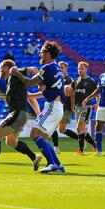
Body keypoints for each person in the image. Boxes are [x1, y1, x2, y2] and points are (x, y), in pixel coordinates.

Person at [10, 41, 66, 173]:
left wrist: (16, 72)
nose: (40, 53)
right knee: (41, 137)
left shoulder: (46, 68)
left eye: (42, 51)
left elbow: (29, 82)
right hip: (57, 106)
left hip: (52, 107)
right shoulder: (58, 69)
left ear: (47, 53)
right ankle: (58, 165)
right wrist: (33, 95)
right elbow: (49, 90)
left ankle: (52, 163)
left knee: (33, 134)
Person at [0, 60, 42, 172]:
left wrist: (40, 83)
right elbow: (27, 95)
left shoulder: (15, 72)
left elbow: (33, 69)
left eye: (1, 67)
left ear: (7, 67)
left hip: (17, 113)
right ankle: (34, 158)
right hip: (21, 114)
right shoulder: (12, 80)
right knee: (11, 142)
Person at [71, 62, 98, 154]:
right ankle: (95, 145)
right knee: (82, 130)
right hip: (77, 107)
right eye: (79, 68)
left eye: (82, 68)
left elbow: (97, 93)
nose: (80, 70)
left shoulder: (91, 82)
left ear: (86, 69)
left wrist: (97, 104)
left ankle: (81, 150)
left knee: (79, 128)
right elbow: (72, 94)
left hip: (87, 107)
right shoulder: (75, 81)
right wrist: (72, 106)